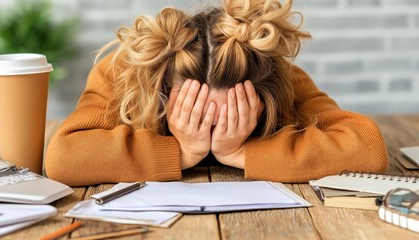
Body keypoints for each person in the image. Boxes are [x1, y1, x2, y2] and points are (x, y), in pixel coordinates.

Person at [45, 0, 388, 186]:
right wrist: (180, 151)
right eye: (196, 115)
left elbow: (367, 149)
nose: (209, 134)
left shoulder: (281, 78)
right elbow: (63, 158)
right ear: (161, 92)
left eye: (229, 118)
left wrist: (241, 153)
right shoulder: (126, 72)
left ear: (262, 100)